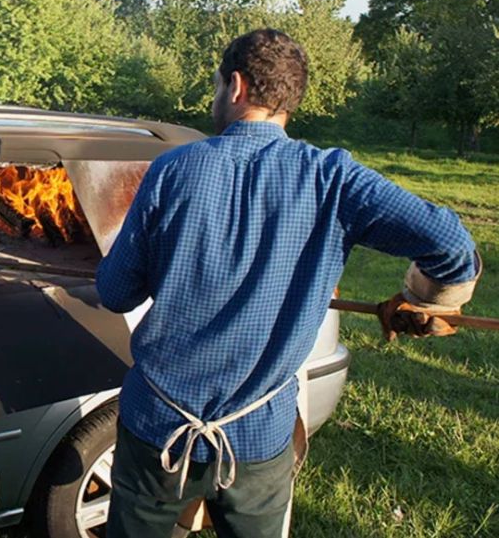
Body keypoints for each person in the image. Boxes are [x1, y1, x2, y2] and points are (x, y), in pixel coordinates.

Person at [95, 28, 481, 538]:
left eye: (215, 86)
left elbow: (116, 292)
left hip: (157, 429)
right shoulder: (333, 179)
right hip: (258, 435)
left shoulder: (171, 171)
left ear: (235, 86)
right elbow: (452, 246)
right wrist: (423, 301)